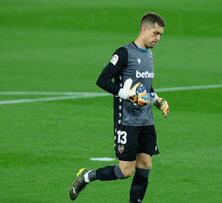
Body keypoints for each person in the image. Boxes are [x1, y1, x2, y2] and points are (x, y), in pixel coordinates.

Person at [69, 12, 169, 203]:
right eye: (156, 33)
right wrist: (128, 95)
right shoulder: (124, 53)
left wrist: (158, 100)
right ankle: (87, 176)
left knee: (146, 164)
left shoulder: (149, 54)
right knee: (126, 170)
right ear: (144, 29)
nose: (158, 38)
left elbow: (146, 85)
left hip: (146, 120)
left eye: (161, 35)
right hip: (127, 121)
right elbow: (102, 80)